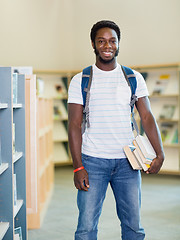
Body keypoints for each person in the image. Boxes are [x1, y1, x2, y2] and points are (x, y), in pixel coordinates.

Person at [68, 20, 164, 240]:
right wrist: (77, 166)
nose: (107, 46)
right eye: (101, 41)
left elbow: (147, 117)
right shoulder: (80, 80)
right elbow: (73, 124)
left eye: (112, 41)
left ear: (119, 43)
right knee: (86, 228)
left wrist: (160, 153)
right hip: (92, 162)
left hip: (128, 163)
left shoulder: (133, 78)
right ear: (93, 44)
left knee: (133, 226)